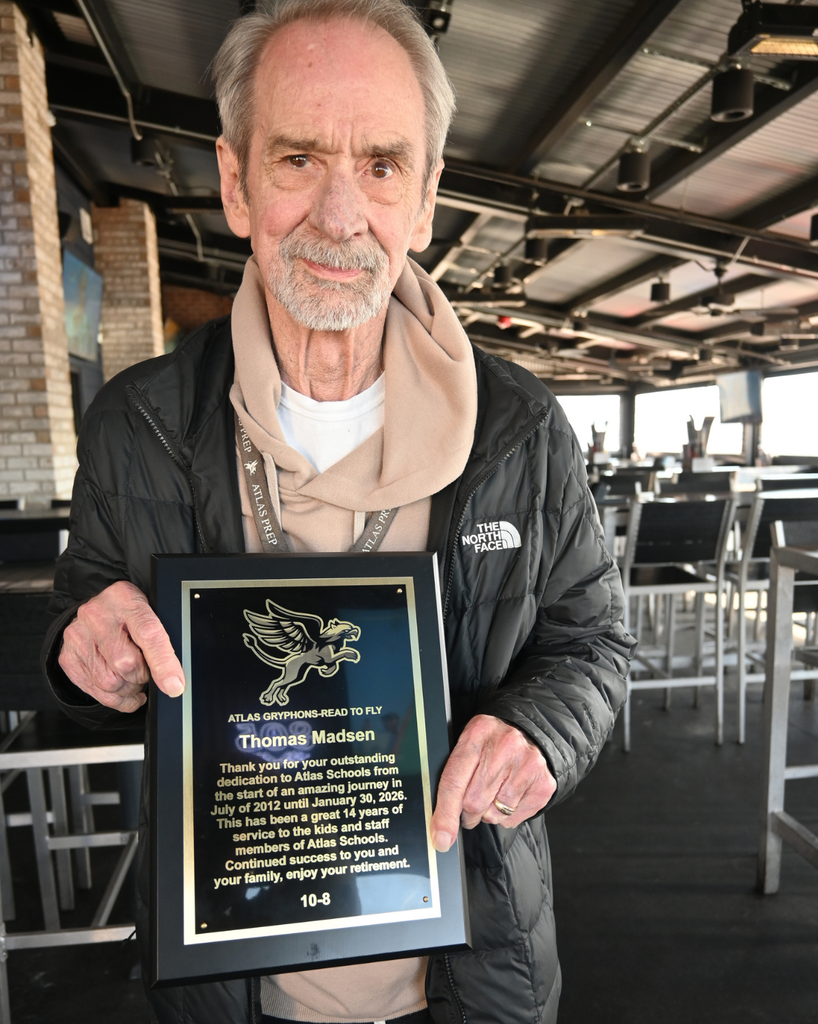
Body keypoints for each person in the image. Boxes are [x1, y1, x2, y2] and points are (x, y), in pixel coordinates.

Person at [42, 2, 635, 1022]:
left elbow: (592, 643)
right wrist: (83, 655)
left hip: (473, 976)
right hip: (230, 989)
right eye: (297, 159)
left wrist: (537, 728)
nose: (338, 213)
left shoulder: (520, 427)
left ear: (425, 200)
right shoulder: (136, 422)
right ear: (234, 182)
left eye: (380, 165)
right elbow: (80, 647)